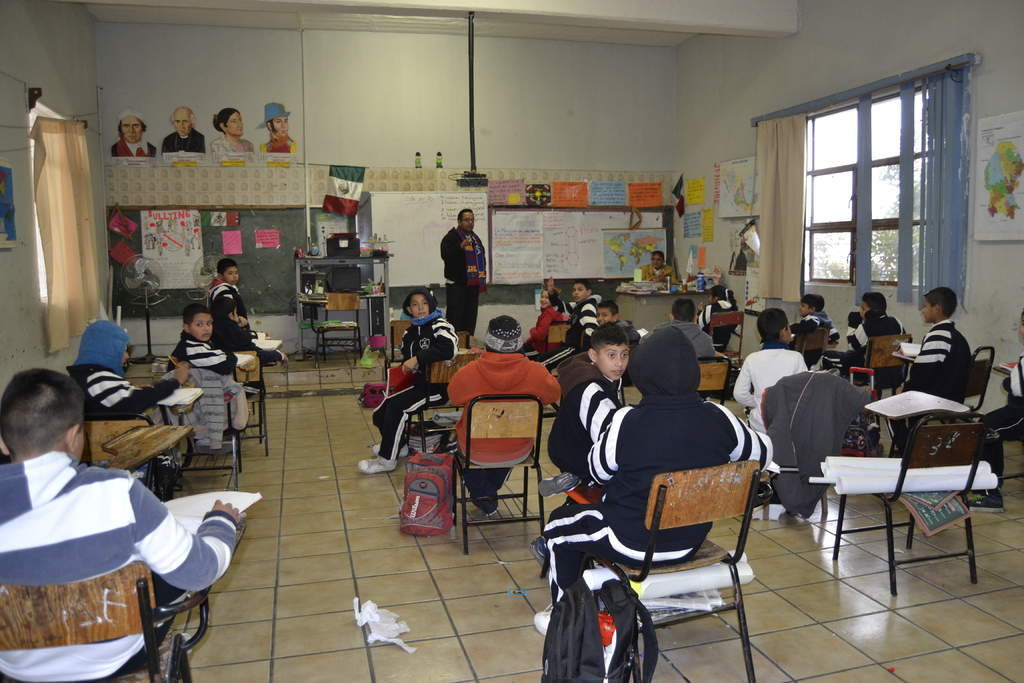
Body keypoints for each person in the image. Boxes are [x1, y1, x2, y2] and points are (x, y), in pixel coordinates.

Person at [0, 369, 242, 682]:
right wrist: (221, 522)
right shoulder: (116, 491)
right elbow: (201, 571)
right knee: (167, 566)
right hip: (117, 660)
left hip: (14, 668)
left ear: (3, 442)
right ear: (75, 436)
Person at [534, 326, 772, 615]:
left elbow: (599, 472)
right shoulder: (720, 416)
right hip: (690, 539)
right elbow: (763, 454)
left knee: (558, 527)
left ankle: (565, 616)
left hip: (631, 541)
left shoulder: (626, 420)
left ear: (642, 372)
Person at [447, 316, 560, 516]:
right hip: (518, 450)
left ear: (488, 340)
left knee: (455, 441)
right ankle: (488, 490)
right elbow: (553, 395)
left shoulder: (468, 372)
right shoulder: (537, 372)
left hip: (475, 450)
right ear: (518, 342)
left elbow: (454, 397)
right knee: (506, 440)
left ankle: (483, 493)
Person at [360, 289, 458, 474]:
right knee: (379, 413)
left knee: (397, 407)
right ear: (408, 309)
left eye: (425, 303)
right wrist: (406, 366)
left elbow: (449, 349)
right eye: (415, 304)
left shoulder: (440, 325)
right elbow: (407, 359)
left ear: (432, 305)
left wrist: (418, 359)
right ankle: (401, 446)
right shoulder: (409, 332)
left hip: (437, 388)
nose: (420, 308)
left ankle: (386, 460)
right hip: (417, 385)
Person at [543, 324, 629, 496]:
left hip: (579, 446)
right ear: (593, 355)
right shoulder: (591, 389)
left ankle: (578, 481)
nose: (619, 363)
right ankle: (583, 479)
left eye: (624, 355)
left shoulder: (597, 371)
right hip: (578, 457)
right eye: (611, 355)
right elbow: (610, 440)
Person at [889, 287, 971, 454]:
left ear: (937, 309)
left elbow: (921, 375)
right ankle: (914, 444)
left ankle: (907, 451)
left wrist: (904, 388)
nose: (922, 310)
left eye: (925, 306)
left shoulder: (938, 336)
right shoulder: (955, 335)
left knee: (891, 406)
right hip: (952, 394)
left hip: (938, 399)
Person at [67, 320, 190, 415]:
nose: (127, 356)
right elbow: (137, 400)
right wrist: (175, 381)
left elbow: (125, 396)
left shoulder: (88, 376)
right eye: (123, 350)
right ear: (108, 350)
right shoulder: (97, 378)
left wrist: (157, 386)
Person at [170, 303, 249, 450]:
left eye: (209, 323)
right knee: (235, 388)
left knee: (232, 386)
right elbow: (225, 365)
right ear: (186, 327)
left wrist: (225, 356)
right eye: (199, 324)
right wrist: (228, 356)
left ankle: (219, 431)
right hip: (191, 405)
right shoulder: (192, 348)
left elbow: (223, 359)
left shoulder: (199, 343)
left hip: (199, 400)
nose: (206, 328)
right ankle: (216, 432)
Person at [973, 307, 1024, 513]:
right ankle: (994, 480)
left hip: (1020, 413)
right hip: (1017, 410)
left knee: (986, 431)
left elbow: (1018, 388)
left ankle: (991, 493)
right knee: (987, 423)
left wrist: (1007, 382)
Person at [734, 308, 808, 433]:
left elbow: (739, 394)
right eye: (789, 327)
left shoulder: (751, 358)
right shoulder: (796, 358)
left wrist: (757, 402)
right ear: (783, 331)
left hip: (759, 425)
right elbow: (804, 392)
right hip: (787, 426)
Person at [823, 291, 906, 389]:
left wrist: (852, 325)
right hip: (895, 373)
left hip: (869, 373)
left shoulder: (866, 326)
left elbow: (851, 348)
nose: (860, 311)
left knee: (825, 356)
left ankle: (840, 390)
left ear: (867, 311)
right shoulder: (896, 321)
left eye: (862, 308)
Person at [440, 208, 486, 337]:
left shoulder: (475, 239)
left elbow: (481, 259)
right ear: (459, 222)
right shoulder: (451, 237)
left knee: (470, 321)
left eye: (472, 220)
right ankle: (454, 346)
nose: (470, 222)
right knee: (456, 321)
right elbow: (445, 255)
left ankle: (468, 344)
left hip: (472, 286)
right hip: (457, 287)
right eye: (466, 220)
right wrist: (460, 246)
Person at [539, 278, 601, 368]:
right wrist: (551, 292)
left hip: (575, 350)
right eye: (574, 290)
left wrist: (585, 356)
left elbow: (592, 330)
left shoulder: (588, 306)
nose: (576, 293)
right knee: (542, 358)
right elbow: (560, 306)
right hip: (569, 347)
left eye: (580, 290)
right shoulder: (577, 306)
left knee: (542, 364)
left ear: (588, 292)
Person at [210, 297, 287, 366]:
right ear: (231, 315)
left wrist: (238, 324)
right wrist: (279, 355)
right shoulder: (234, 332)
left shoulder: (213, 328)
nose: (238, 315)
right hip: (245, 368)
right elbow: (255, 354)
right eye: (236, 312)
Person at [789, 293, 839, 366]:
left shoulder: (813, 318)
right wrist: (825, 341)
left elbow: (809, 326)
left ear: (812, 309)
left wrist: (790, 328)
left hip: (804, 354)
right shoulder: (825, 320)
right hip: (818, 354)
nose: (800, 308)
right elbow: (835, 335)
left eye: (803, 306)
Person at [524, 288, 568, 354]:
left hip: (543, 349)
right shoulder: (556, 313)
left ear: (553, 300)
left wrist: (532, 330)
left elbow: (540, 336)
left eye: (547, 298)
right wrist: (528, 340)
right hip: (551, 348)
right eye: (542, 297)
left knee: (515, 351)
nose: (543, 300)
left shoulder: (548, 314)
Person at [208, 257, 249, 327]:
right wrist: (239, 321)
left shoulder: (230, 288)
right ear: (220, 276)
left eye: (236, 273)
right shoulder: (224, 291)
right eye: (230, 273)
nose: (235, 276)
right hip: (232, 330)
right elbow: (226, 317)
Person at [697, 285, 739, 352]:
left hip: (709, 347)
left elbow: (698, 326)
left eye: (709, 296)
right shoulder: (733, 309)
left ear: (716, 298)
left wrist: (700, 312)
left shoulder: (710, 308)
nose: (708, 299)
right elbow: (737, 329)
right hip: (724, 347)